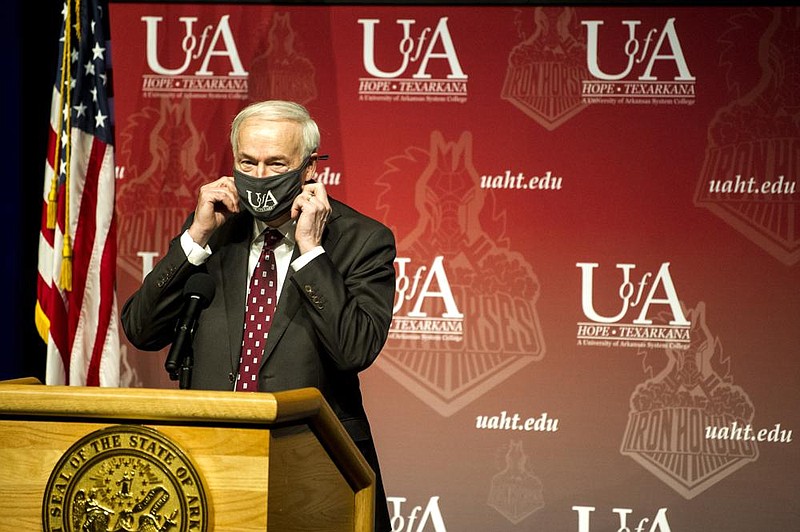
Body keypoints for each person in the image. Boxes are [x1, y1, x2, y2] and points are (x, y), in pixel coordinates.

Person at [121, 100, 396, 532]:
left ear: (308, 169)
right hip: (210, 463)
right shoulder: (215, 229)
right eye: (248, 162)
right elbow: (141, 329)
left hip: (314, 465)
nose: (260, 177)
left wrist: (310, 251)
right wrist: (195, 237)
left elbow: (353, 349)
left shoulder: (362, 240)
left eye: (276, 163)